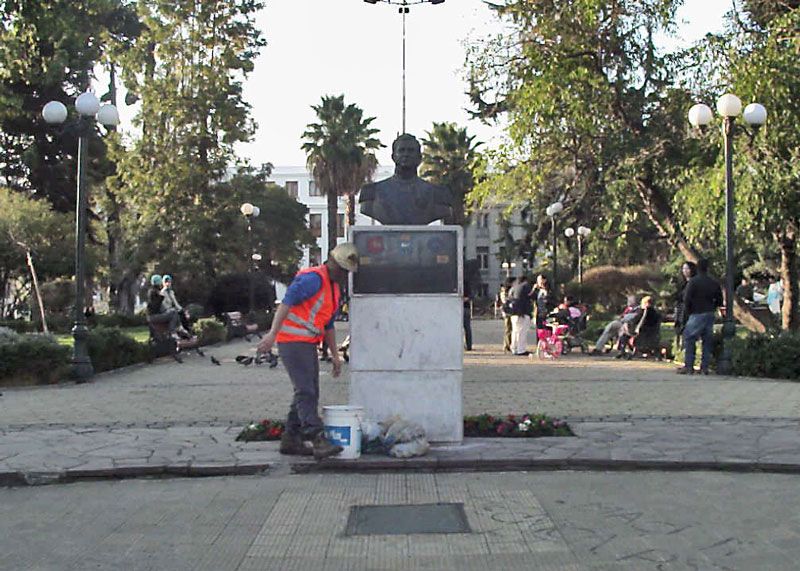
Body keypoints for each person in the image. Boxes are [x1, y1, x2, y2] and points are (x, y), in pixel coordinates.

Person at [256, 242, 360, 460]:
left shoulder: (333, 288)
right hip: (292, 342)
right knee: (306, 391)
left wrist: (335, 356)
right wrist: (272, 334)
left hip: (306, 343)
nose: (344, 276)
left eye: (346, 273)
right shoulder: (312, 279)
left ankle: (291, 439)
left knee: (307, 389)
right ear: (332, 264)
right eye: (342, 271)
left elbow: (328, 324)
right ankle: (316, 438)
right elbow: (285, 304)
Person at [359, 134, 454, 225]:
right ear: (393, 157)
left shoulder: (437, 194)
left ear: (419, 157)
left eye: (411, 151)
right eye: (401, 150)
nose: (406, 154)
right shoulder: (372, 192)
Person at [678, 258, 723, 375]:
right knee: (707, 340)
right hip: (709, 313)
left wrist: (689, 311)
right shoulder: (713, 282)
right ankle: (705, 367)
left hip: (696, 313)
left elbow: (686, 299)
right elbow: (720, 300)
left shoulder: (693, 282)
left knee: (689, 338)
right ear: (707, 269)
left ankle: (689, 365)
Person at [673, 261, 697, 351]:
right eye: (683, 269)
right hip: (681, 311)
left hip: (689, 311)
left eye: (687, 269)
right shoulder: (683, 284)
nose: (685, 271)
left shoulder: (694, 283)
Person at [508, 275, 534, 355]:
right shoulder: (525, 287)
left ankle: (514, 348)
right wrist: (534, 290)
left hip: (513, 313)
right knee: (522, 332)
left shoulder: (513, 288)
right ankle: (521, 350)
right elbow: (531, 297)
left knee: (515, 332)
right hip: (523, 313)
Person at [497, 277, 515, 353]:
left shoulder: (504, 292)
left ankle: (507, 344)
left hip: (506, 312)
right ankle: (507, 345)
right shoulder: (505, 293)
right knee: (509, 329)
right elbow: (505, 302)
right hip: (508, 312)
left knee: (509, 329)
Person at [463, 278, 473, 351]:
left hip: (460, 308)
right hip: (466, 307)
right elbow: (471, 295)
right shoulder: (466, 283)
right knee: (467, 328)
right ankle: (468, 345)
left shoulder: (453, 282)